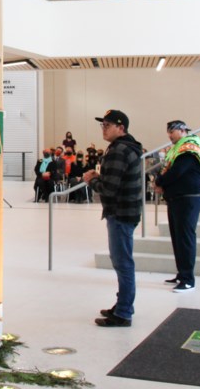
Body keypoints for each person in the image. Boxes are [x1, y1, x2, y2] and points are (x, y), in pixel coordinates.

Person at [83, 110, 143, 327]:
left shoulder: (119, 150)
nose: (104, 129)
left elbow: (109, 189)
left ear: (121, 127)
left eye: (108, 125)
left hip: (120, 213)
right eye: (102, 125)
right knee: (122, 262)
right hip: (126, 211)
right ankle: (123, 304)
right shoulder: (127, 147)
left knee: (123, 263)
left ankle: (124, 312)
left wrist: (91, 180)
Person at [154, 121, 200, 293]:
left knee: (185, 237)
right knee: (177, 237)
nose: (169, 136)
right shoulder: (178, 147)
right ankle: (181, 273)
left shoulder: (189, 147)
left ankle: (188, 279)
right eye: (168, 132)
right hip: (177, 197)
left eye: (172, 132)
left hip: (188, 197)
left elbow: (178, 171)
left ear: (182, 130)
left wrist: (160, 181)